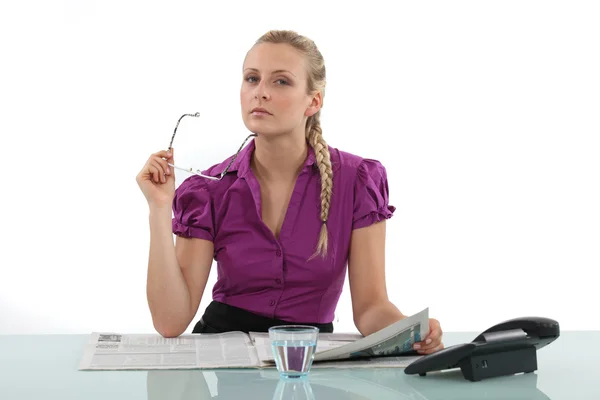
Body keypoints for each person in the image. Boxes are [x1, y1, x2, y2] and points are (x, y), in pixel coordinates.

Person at [136, 30, 444, 355]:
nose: (260, 93)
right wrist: (159, 209)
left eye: (280, 81)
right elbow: (171, 321)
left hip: (309, 358)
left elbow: (371, 308)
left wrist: (413, 331)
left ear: (313, 101)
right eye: (251, 79)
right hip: (223, 356)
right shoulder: (209, 189)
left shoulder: (357, 181)